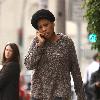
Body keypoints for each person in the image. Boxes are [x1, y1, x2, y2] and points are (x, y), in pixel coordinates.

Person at [24, 9, 86, 100]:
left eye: (46, 25)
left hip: (60, 94)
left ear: (53, 23)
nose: (44, 29)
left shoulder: (66, 42)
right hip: (39, 95)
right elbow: (28, 65)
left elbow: (75, 70)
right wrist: (40, 46)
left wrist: (81, 96)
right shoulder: (36, 42)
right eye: (40, 27)